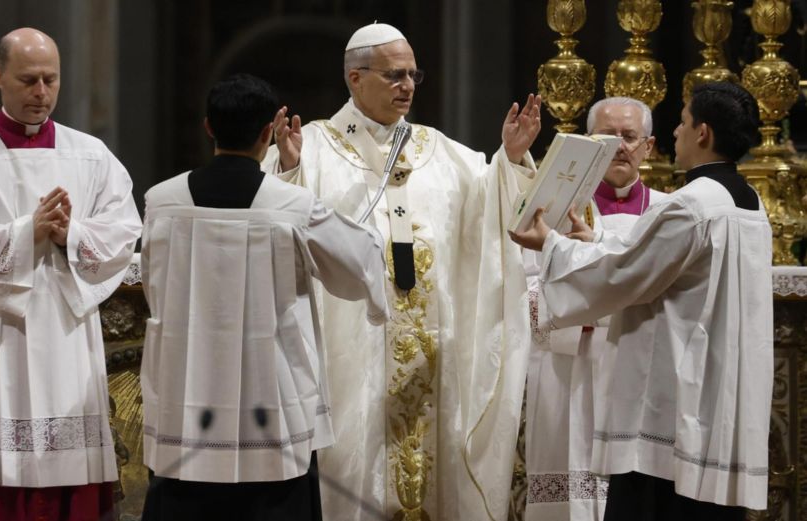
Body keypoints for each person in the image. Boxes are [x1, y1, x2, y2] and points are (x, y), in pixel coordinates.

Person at [261, 22, 541, 521]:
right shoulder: (316, 149)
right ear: (354, 77)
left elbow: (489, 217)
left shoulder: (443, 152)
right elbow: (275, 227)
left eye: (413, 74)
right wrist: (288, 172)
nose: (407, 86)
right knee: (353, 463)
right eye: (394, 75)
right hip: (354, 357)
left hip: (436, 349)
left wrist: (511, 159)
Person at [512, 82, 772, 520]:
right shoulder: (748, 203)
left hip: (671, 404)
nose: (676, 132)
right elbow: (659, 267)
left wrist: (551, 246)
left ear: (703, 133)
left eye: (683, 122)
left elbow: (623, 276)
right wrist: (595, 240)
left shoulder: (691, 205)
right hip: (718, 394)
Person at [138, 74, 388, 521]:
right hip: (271, 403)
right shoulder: (290, 205)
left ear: (208, 127)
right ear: (268, 131)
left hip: (187, 395)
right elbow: (361, 259)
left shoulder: (162, 201)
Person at [0, 28, 142, 521]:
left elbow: (124, 230)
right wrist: (27, 233)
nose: (41, 93)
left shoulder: (91, 156)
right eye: (28, 80)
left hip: (63, 338)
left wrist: (70, 235)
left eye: (51, 80)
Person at [523, 97, 665, 521]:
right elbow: (525, 282)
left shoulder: (668, 210)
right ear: (589, 143)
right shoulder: (554, 206)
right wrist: (577, 314)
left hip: (635, 366)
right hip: (568, 367)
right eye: (608, 137)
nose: (619, 146)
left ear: (649, 146)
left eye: (629, 136)